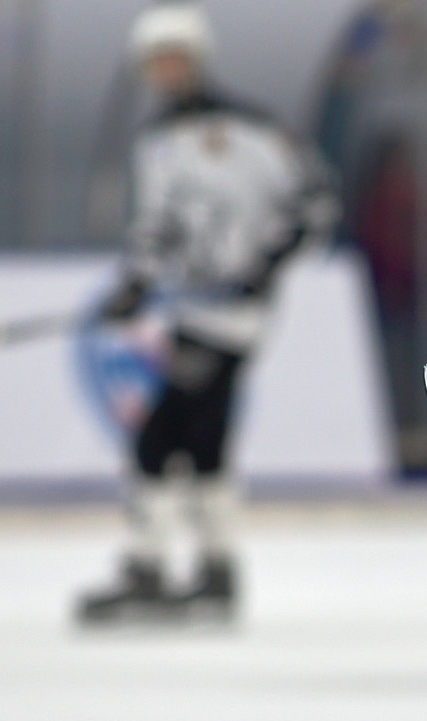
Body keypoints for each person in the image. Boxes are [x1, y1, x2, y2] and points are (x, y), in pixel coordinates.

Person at [77, 3, 336, 624]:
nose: (165, 71)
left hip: (234, 315)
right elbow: (160, 224)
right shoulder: (155, 139)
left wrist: (264, 266)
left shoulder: (253, 130)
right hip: (190, 309)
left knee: (159, 436)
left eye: (175, 58)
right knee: (200, 438)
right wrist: (136, 282)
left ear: (195, 60)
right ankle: (214, 571)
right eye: (155, 62)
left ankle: (153, 565)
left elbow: (314, 202)